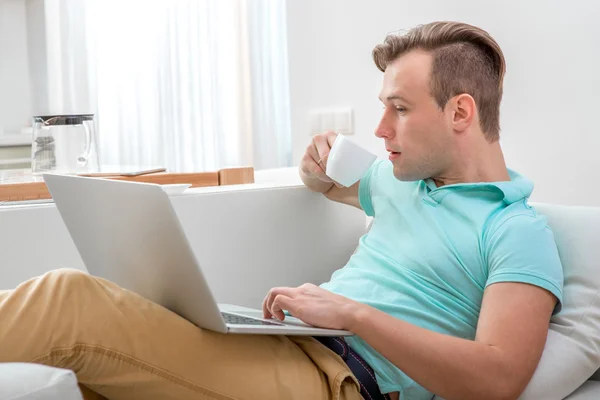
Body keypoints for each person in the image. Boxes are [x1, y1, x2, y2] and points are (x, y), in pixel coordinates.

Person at [0, 21, 563, 400]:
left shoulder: (514, 231)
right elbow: (319, 181)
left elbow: (500, 376)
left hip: (339, 378)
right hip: (282, 342)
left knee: (70, 302)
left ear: (460, 112)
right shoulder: (401, 179)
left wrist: (354, 315)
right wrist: (314, 165)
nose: (380, 129)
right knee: (81, 368)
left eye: (400, 109)